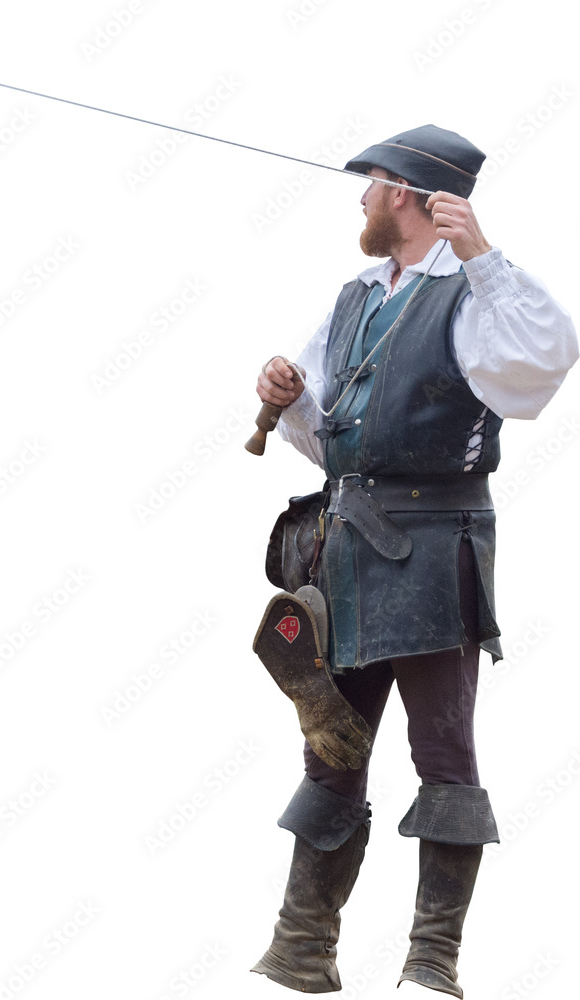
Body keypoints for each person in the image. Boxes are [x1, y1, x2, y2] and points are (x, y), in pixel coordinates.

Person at [250, 124, 578, 996]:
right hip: (341, 551)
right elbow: (331, 432)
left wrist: (483, 257)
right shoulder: (357, 294)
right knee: (331, 746)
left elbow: (543, 366)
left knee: (441, 752)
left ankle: (430, 962)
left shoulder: (473, 291)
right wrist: (286, 394)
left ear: (403, 192)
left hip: (434, 552)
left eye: (369, 183)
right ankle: (301, 949)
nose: (359, 198)